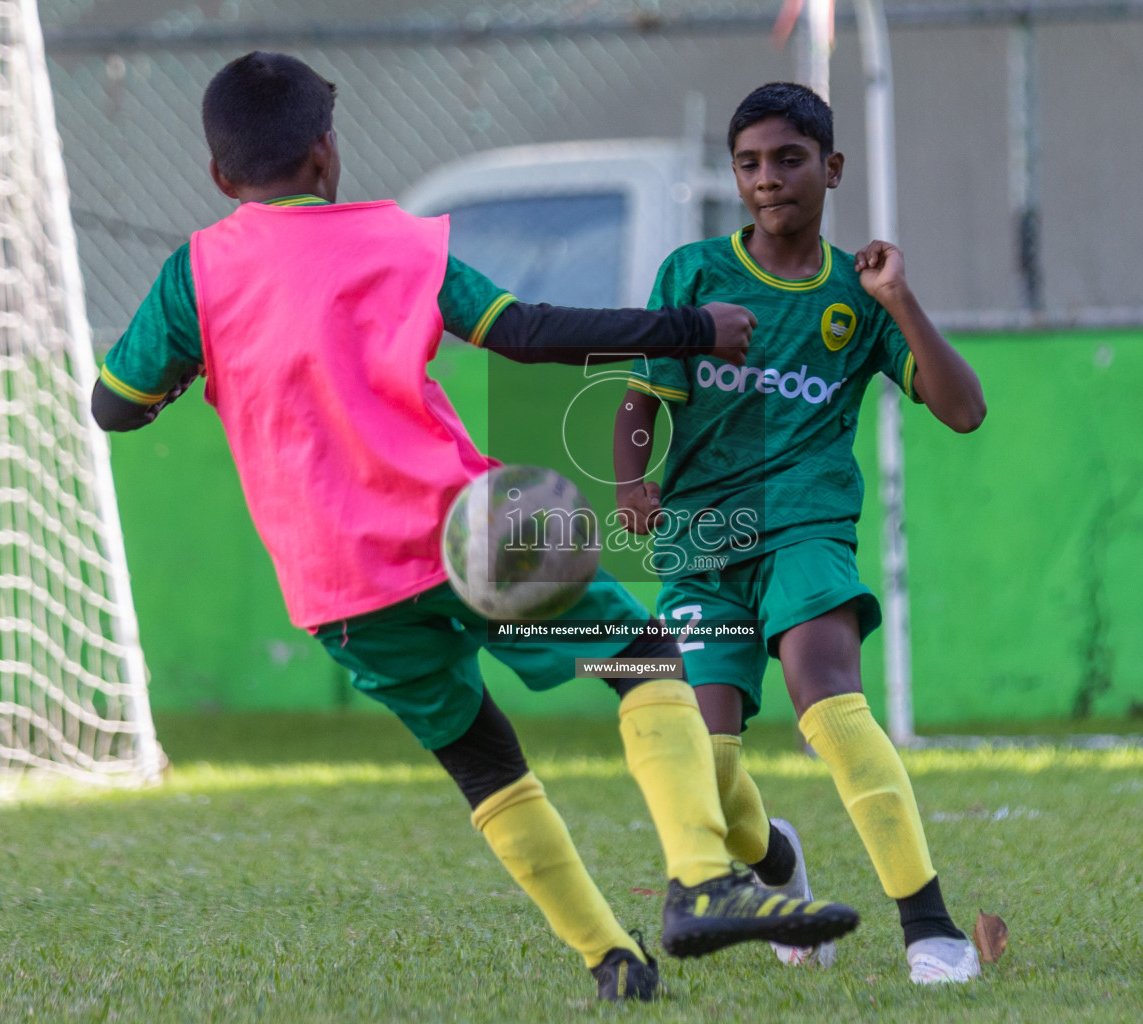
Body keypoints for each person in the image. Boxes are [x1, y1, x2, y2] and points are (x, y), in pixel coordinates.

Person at [91, 54, 860, 1004]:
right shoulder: (394, 242)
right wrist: (688, 329)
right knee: (645, 658)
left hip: (338, 588)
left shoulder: (193, 276)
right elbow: (527, 331)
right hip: (474, 535)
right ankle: (701, 881)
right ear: (327, 155)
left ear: (219, 177)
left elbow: (113, 406)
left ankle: (608, 957)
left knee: (482, 760)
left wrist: (175, 373)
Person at [613, 81, 989, 983]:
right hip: (703, 544)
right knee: (705, 768)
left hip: (806, 528)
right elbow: (638, 400)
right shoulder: (692, 274)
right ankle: (776, 864)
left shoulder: (857, 298)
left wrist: (899, 301)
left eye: (788, 159)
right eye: (748, 164)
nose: (768, 179)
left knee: (828, 700)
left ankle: (928, 927)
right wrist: (633, 482)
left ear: (832, 167)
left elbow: (964, 410)